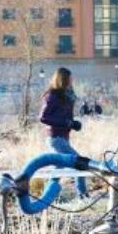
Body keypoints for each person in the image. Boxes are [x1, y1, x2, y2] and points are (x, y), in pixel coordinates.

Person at [39, 67, 87, 199]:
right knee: (78, 163)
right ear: (63, 80)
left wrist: (73, 123)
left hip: (63, 137)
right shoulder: (53, 96)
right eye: (70, 79)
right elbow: (43, 117)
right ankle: (83, 196)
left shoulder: (67, 95)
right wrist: (67, 123)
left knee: (58, 168)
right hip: (55, 138)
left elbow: (64, 116)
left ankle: (48, 197)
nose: (72, 81)